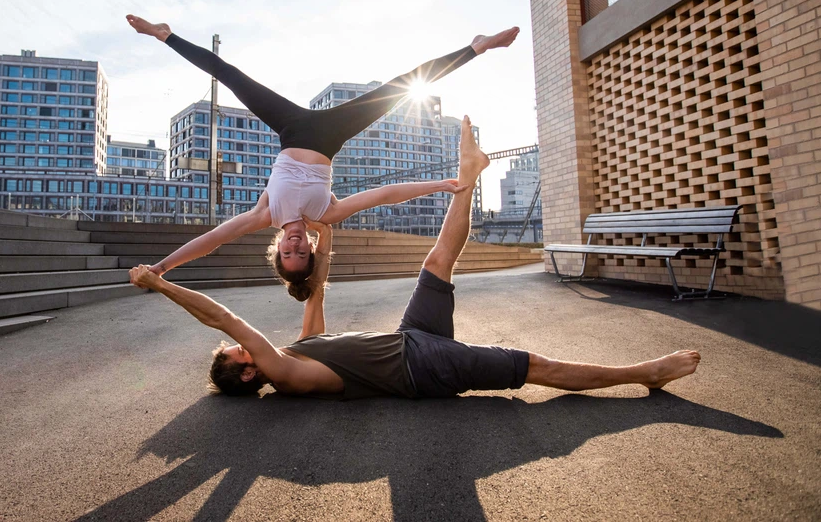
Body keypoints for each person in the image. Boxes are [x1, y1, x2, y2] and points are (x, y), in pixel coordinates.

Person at [128, 119, 702, 399]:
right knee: (532, 366)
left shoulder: (299, 349)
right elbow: (224, 318)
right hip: (420, 368)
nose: (245, 345)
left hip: (409, 337)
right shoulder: (284, 373)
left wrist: (320, 241)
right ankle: (643, 373)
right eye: (238, 352)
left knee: (438, 259)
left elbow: (317, 291)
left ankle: (468, 178)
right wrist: (160, 282)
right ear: (248, 370)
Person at [126, 14, 519, 301]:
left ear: (278, 246)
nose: (295, 245)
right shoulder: (326, 214)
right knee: (401, 87)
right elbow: (384, 195)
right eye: (302, 252)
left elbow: (212, 239)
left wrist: (161, 268)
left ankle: (165, 34)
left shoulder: (266, 214)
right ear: (313, 249)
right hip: (331, 134)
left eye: (287, 252)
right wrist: (439, 184)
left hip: (290, 127)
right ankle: (477, 47)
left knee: (230, 76)